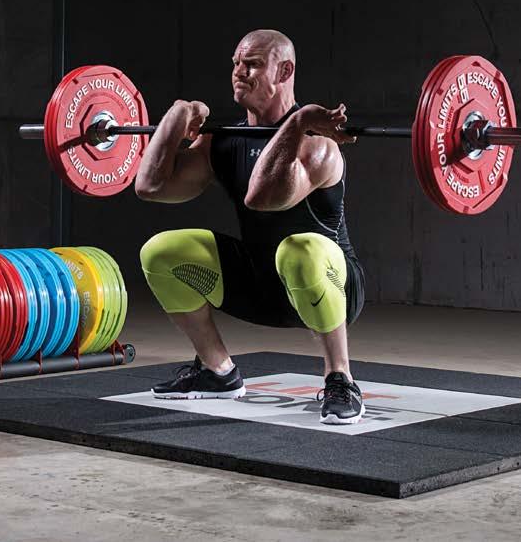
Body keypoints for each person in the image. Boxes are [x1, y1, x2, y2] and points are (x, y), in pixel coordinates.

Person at [135, 29, 366, 424]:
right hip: (261, 284)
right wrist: (177, 116)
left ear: (285, 71)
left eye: (253, 64)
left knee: (299, 249)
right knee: (160, 252)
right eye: (236, 64)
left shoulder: (319, 145)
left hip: (332, 286)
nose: (239, 72)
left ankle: (340, 378)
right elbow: (151, 187)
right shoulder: (224, 141)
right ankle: (218, 370)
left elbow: (263, 198)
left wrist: (298, 123)